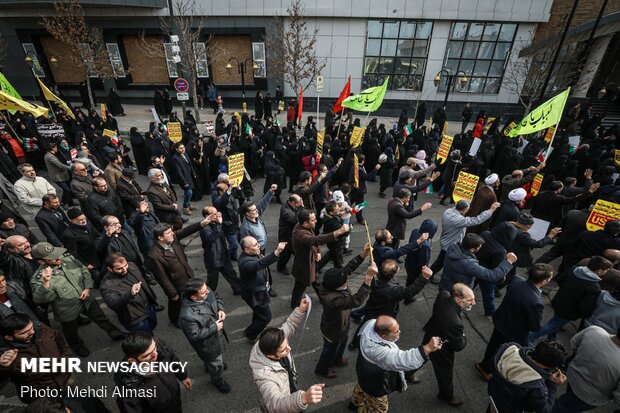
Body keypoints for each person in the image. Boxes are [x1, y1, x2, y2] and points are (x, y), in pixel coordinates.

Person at [30, 242, 124, 356]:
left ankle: (116, 333)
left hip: (87, 300)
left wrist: (88, 288)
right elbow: (39, 299)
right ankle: (76, 346)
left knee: (101, 318)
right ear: (41, 261)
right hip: (67, 309)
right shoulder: (39, 278)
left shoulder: (68, 259)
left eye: (56, 254)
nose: (58, 258)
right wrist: (46, 283)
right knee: (71, 332)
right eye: (52, 258)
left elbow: (84, 271)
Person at [476, 264, 555, 380]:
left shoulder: (516, 280)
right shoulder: (536, 301)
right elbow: (534, 326)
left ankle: (484, 362)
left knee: (494, 344)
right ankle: (486, 368)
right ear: (544, 281)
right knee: (504, 353)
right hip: (515, 331)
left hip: (501, 320)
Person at [351, 315, 442, 411]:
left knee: (361, 387)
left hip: (363, 375)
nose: (399, 332)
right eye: (396, 332)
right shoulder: (379, 353)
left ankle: (355, 402)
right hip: (375, 385)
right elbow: (402, 359)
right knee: (379, 408)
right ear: (384, 336)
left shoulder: (370, 325)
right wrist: (427, 348)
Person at [249, 298, 326, 412]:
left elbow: (289, 325)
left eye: (287, 344)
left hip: (289, 388)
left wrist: (300, 310)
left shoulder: (275, 339)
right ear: (271, 356)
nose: (289, 349)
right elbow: (275, 404)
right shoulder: (264, 377)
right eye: (284, 350)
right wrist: (302, 398)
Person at [315, 246, 375, 379]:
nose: (347, 280)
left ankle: (337, 359)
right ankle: (322, 369)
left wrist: (362, 255)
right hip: (333, 329)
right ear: (338, 286)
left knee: (343, 340)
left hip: (341, 326)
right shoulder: (334, 300)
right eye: (345, 281)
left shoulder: (330, 282)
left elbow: (346, 269)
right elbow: (357, 301)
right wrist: (368, 278)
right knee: (328, 350)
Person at [529, 256, 612, 344]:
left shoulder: (574, 270)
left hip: (559, 301)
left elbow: (561, 280)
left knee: (556, 321)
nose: (606, 272)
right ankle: (531, 336)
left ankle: (551, 337)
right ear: (599, 270)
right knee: (553, 324)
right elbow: (585, 306)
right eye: (606, 270)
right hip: (570, 311)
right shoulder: (594, 287)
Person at [145, 217, 210, 327]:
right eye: (168, 233)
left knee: (189, 296)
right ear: (160, 238)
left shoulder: (172, 239)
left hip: (187, 275)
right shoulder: (154, 255)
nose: (172, 234)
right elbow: (161, 277)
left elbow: (186, 231)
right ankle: (175, 319)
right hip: (176, 285)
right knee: (176, 302)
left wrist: (202, 223)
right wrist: (172, 293)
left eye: (171, 231)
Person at [422, 284, 476, 406]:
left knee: (420, 355)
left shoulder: (443, 294)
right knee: (445, 373)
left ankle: (407, 373)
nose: (474, 303)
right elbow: (458, 346)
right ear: (457, 299)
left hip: (429, 336)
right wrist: (463, 336)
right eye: (470, 300)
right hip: (441, 350)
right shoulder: (455, 323)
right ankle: (446, 396)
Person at [0, 313, 73, 403]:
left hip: (66, 378)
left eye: (31, 327)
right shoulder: (5, 355)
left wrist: (67, 358)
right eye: (24, 332)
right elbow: (3, 378)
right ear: (9, 337)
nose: (32, 332)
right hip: (43, 395)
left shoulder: (40, 328)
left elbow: (58, 337)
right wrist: (4, 367)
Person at [115, 331, 192, 413]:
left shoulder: (155, 345)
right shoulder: (129, 390)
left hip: (175, 404)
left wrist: (183, 376)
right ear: (133, 360)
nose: (155, 354)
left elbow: (172, 359)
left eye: (154, 348)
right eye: (147, 355)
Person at [552, 325, 620, 413]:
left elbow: (573, 344)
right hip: (589, 397)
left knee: (567, 403)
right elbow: (618, 397)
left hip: (573, 377)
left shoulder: (594, 330)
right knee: (560, 408)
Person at [290, 208, 349, 308]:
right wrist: (338, 232)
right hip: (304, 267)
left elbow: (314, 239)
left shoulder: (305, 227)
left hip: (311, 264)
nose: (316, 221)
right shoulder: (300, 235)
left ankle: (323, 298)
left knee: (316, 282)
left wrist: (318, 252)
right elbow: (316, 239)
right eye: (313, 220)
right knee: (300, 286)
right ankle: (295, 304)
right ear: (305, 223)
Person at [179, 279, 230, 393]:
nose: (208, 292)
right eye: (204, 292)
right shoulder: (187, 315)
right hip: (208, 344)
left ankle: (210, 365)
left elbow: (216, 297)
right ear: (194, 297)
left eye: (206, 289)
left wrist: (221, 309)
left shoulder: (204, 290)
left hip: (216, 338)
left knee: (214, 361)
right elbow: (195, 335)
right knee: (216, 365)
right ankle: (218, 381)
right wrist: (214, 327)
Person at [488, 340, 568, 413]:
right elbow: (546, 411)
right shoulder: (537, 387)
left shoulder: (509, 349)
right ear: (548, 367)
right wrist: (552, 384)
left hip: (493, 399)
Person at [430, 199, 499, 276]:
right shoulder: (458, 220)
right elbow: (477, 220)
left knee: (441, 261)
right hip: (450, 245)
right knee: (441, 262)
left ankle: (430, 274)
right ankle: (429, 275)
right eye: (468, 208)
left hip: (446, 241)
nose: (469, 210)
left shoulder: (449, 211)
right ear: (464, 209)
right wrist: (491, 210)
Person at [239, 236, 286, 343]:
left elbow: (263, 261)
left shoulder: (253, 253)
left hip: (260, 291)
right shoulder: (245, 262)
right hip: (254, 294)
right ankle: (250, 333)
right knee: (266, 317)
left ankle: (256, 325)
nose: (259, 245)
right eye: (255, 245)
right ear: (246, 249)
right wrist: (276, 252)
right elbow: (260, 264)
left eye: (257, 243)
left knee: (259, 313)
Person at [100, 253, 158, 333]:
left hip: (149, 308)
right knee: (147, 338)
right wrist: (130, 294)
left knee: (153, 325)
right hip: (135, 318)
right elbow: (113, 304)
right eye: (119, 268)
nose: (125, 269)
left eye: (125, 265)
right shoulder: (107, 285)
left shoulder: (132, 266)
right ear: (110, 269)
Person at [440, 232, 516, 293]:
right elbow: (492, 275)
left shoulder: (453, 247)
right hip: (457, 292)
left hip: (445, 283)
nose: (480, 248)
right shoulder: (469, 264)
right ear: (472, 250)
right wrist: (508, 262)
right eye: (479, 247)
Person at [199, 206, 242, 295]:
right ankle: (207, 296)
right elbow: (210, 238)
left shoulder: (216, 223)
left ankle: (238, 289)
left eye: (217, 212)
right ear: (207, 216)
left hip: (223, 255)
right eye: (214, 214)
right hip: (213, 259)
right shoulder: (204, 227)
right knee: (212, 280)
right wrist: (219, 225)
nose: (217, 215)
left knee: (231, 274)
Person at [61, 207, 103, 285]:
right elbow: (73, 253)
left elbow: (97, 235)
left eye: (84, 218)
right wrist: (85, 264)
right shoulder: (68, 234)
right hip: (88, 261)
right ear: (73, 221)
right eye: (80, 220)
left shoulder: (88, 224)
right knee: (98, 277)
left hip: (98, 256)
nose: (84, 221)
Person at [277, 194, 303, 275]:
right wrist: (300, 208)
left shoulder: (291, 205)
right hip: (286, 235)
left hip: (292, 234)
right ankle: (280, 267)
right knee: (285, 254)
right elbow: (294, 220)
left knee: (295, 251)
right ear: (293, 202)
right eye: (298, 203)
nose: (299, 204)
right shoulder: (286, 210)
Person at [43, 143, 73, 208]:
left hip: (62, 175)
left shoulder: (51, 155)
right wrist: (71, 168)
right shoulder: (50, 156)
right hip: (57, 176)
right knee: (66, 190)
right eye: (56, 148)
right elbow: (59, 165)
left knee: (68, 188)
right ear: (53, 148)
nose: (57, 149)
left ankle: (70, 202)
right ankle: (63, 203)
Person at [171, 142, 197, 216]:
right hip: (184, 178)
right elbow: (178, 172)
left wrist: (193, 173)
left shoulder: (185, 154)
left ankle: (188, 204)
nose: (183, 149)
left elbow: (189, 163)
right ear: (176, 149)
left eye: (183, 147)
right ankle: (185, 207)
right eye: (181, 148)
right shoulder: (175, 158)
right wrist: (184, 181)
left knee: (189, 192)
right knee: (189, 192)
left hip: (189, 176)